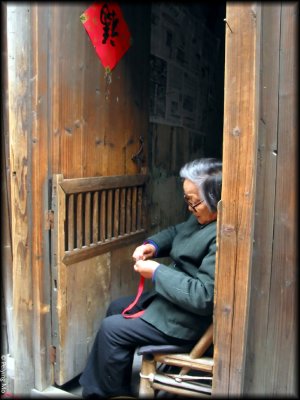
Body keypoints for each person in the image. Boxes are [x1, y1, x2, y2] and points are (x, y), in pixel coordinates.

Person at [79, 157, 222, 398]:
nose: (188, 207)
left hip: (186, 320)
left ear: (215, 200)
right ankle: (116, 387)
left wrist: (157, 271)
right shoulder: (201, 217)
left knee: (111, 329)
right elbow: (178, 231)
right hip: (172, 304)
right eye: (186, 199)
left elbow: (204, 297)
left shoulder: (220, 237)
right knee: (117, 307)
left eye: (193, 201)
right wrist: (152, 245)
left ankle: (103, 394)